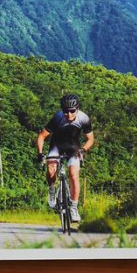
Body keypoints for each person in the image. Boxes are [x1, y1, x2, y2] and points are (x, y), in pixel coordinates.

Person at [35, 93, 94, 222]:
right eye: (65, 111)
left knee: (73, 175)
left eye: (72, 111)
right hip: (56, 146)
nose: (69, 114)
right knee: (51, 170)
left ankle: (73, 207)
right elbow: (42, 136)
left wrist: (84, 150)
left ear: (77, 109)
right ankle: (51, 189)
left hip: (73, 148)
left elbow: (90, 139)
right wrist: (40, 153)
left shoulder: (84, 118)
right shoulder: (58, 117)